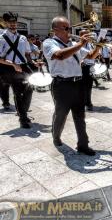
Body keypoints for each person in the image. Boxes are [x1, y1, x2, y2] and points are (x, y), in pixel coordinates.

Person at [43, 16, 100, 156]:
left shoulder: (72, 43)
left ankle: (83, 144)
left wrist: (99, 46)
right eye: (66, 28)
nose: (70, 30)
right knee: (61, 115)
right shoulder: (49, 43)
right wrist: (80, 44)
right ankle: (56, 136)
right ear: (55, 29)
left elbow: (91, 56)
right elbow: (60, 56)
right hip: (61, 85)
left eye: (69, 27)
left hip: (78, 83)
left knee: (80, 116)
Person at [0, 12, 38, 128]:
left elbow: (26, 54)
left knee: (30, 87)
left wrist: (33, 62)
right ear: (5, 23)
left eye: (14, 22)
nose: (13, 24)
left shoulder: (22, 38)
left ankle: (22, 111)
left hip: (23, 66)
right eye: (10, 22)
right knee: (18, 92)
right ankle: (23, 118)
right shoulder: (1, 38)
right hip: (9, 67)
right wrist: (12, 64)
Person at [80, 30, 97, 111]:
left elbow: (94, 54)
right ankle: (84, 103)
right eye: (86, 35)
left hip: (90, 67)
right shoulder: (78, 45)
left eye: (88, 35)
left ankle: (88, 102)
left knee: (89, 86)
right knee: (83, 87)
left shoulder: (90, 44)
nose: (88, 36)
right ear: (81, 36)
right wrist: (80, 60)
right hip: (83, 68)